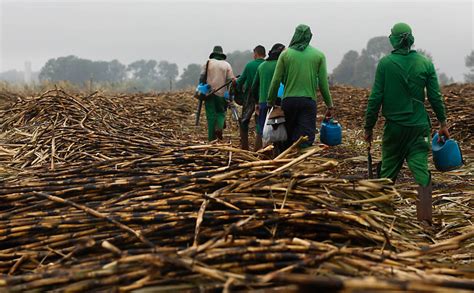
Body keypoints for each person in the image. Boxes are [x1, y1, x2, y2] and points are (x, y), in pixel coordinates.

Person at [364, 23, 449, 225]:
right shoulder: (424, 63)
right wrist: (443, 122)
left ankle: (383, 216)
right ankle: (425, 218)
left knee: (388, 170)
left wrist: (368, 126)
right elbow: (436, 96)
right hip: (419, 127)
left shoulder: (385, 64)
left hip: (394, 128)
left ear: (393, 39)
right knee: (421, 169)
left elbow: (376, 97)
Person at [267, 24, 334, 149]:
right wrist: (329, 105)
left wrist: (270, 102)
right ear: (309, 36)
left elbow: (275, 81)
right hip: (308, 102)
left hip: (288, 102)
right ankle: (301, 164)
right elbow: (323, 84)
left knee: (286, 137)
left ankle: (285, 164)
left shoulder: (285, 54)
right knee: (305, 137)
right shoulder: (318, 55)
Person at [251, 43, 286, 150]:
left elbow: (253, 87)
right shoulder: (282, 65)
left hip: (263, 102)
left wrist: (256, 102)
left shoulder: (262, 66)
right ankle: (279, 152)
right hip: (280, 103)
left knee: (263, 130)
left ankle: (265, 153)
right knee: (280, 129)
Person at [200, 46, 235, 141]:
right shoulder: (226, 65)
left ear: (213, 54)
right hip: (222, 94)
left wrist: (201, 89)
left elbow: (202, 77)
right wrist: (230, 95)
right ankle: (219, 127)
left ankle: (211, 139)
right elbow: (230, 81)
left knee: (211, 116)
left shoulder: (208, 63)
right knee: (221, 112)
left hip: (209, 93)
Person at [236, 45, 266, 150]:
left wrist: (235, 82)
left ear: (256, 54)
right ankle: (259, 147)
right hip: (263, 96)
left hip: (250, 96)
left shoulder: (250, 65)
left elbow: (241, 81)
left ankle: (245, 147)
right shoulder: (266, 64)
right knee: (260, 120)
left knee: (244, 120)